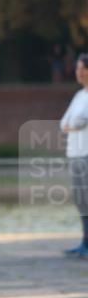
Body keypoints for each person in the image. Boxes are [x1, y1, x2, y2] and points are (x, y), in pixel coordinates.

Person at [60, 53, 88, 258]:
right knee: (80, 200)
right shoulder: (79, 96)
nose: (78, 72)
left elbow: (80, 121)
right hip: (75, 153)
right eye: (77, 68)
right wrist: (72, 124)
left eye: (82, 68)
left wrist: (73, 124)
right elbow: (64, 123)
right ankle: (84, 241)